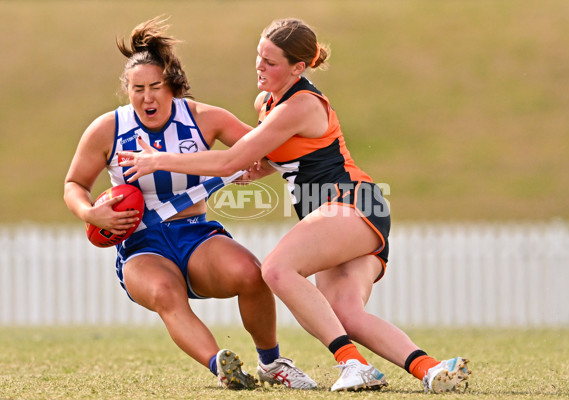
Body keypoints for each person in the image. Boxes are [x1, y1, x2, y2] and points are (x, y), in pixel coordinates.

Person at [119, 18, 471, 393]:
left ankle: (353, 363)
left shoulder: (301, 103)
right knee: (345, 314)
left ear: (298, 68)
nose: (259, 66)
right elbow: (289, 155)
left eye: (270, 62)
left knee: (275, 269)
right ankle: (431, 370)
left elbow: (228, 160)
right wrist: (260, 170)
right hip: (345, 210)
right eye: (259, 56)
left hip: (350, 201)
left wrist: (156, 160)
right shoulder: (266, 103)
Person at [63, 16, 317, 391]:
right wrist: (89, 212)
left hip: (196, 235)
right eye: (136, 89)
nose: (146, 97)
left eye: (154, 87)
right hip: (140, 247)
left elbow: (273, 152)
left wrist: (250, 172)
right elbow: (74, 184)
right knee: (166, 294)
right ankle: (222, 365)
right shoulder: (107, 129)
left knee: (252, 274)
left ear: (172, 86)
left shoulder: (204, 118)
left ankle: (271, 362)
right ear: (127, 90)